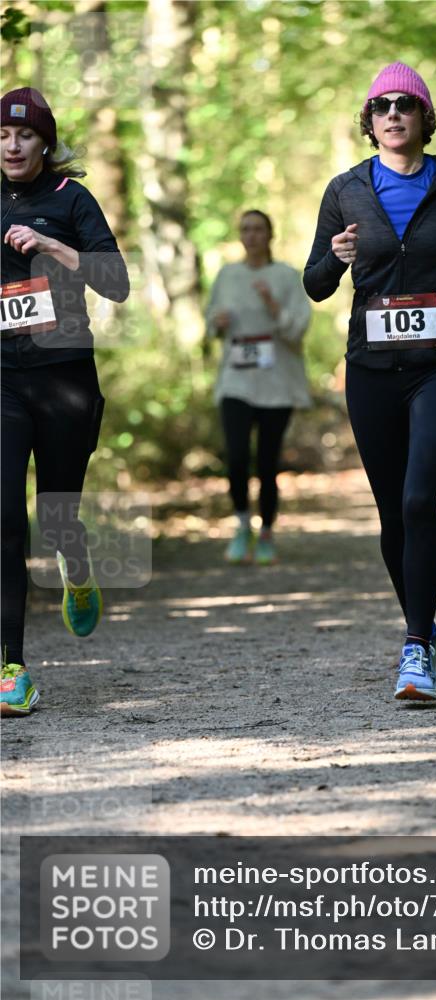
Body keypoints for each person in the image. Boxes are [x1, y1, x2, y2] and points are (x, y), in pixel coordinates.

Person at [304, 62, 436, 702]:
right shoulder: (344, 190)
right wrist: (334, 260)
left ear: (424, 117)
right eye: (381, 107)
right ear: (370, 122)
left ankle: (417, 644)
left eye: (406, 105)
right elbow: (313, 284)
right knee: (393, 511)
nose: (393, 114)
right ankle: (422, 625)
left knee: (421, 497)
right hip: (370, 369)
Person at [1, 87, 129, 716]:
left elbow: (118, 282)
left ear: (44, 142)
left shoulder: (70, 199)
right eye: (2, 134)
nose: (12, 144)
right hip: (2, 381)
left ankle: (74, 560)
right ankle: (12, 667)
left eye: (24, 135)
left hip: (64, 379)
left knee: (54, 517)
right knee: (3, 518)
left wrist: (52, 245)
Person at [206, 210, 311, 565]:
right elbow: (210, 325)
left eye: (258, 229)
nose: (251, 235)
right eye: (245, 230)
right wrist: (217, 324)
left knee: (267, 463)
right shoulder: (227, 275)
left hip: (276, 383)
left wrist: (272, 305)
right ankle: (240, 525)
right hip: (235, 380)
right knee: (236, 456)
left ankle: (266, 531)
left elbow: (297, 329)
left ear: (270, 234)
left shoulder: (286, 276)